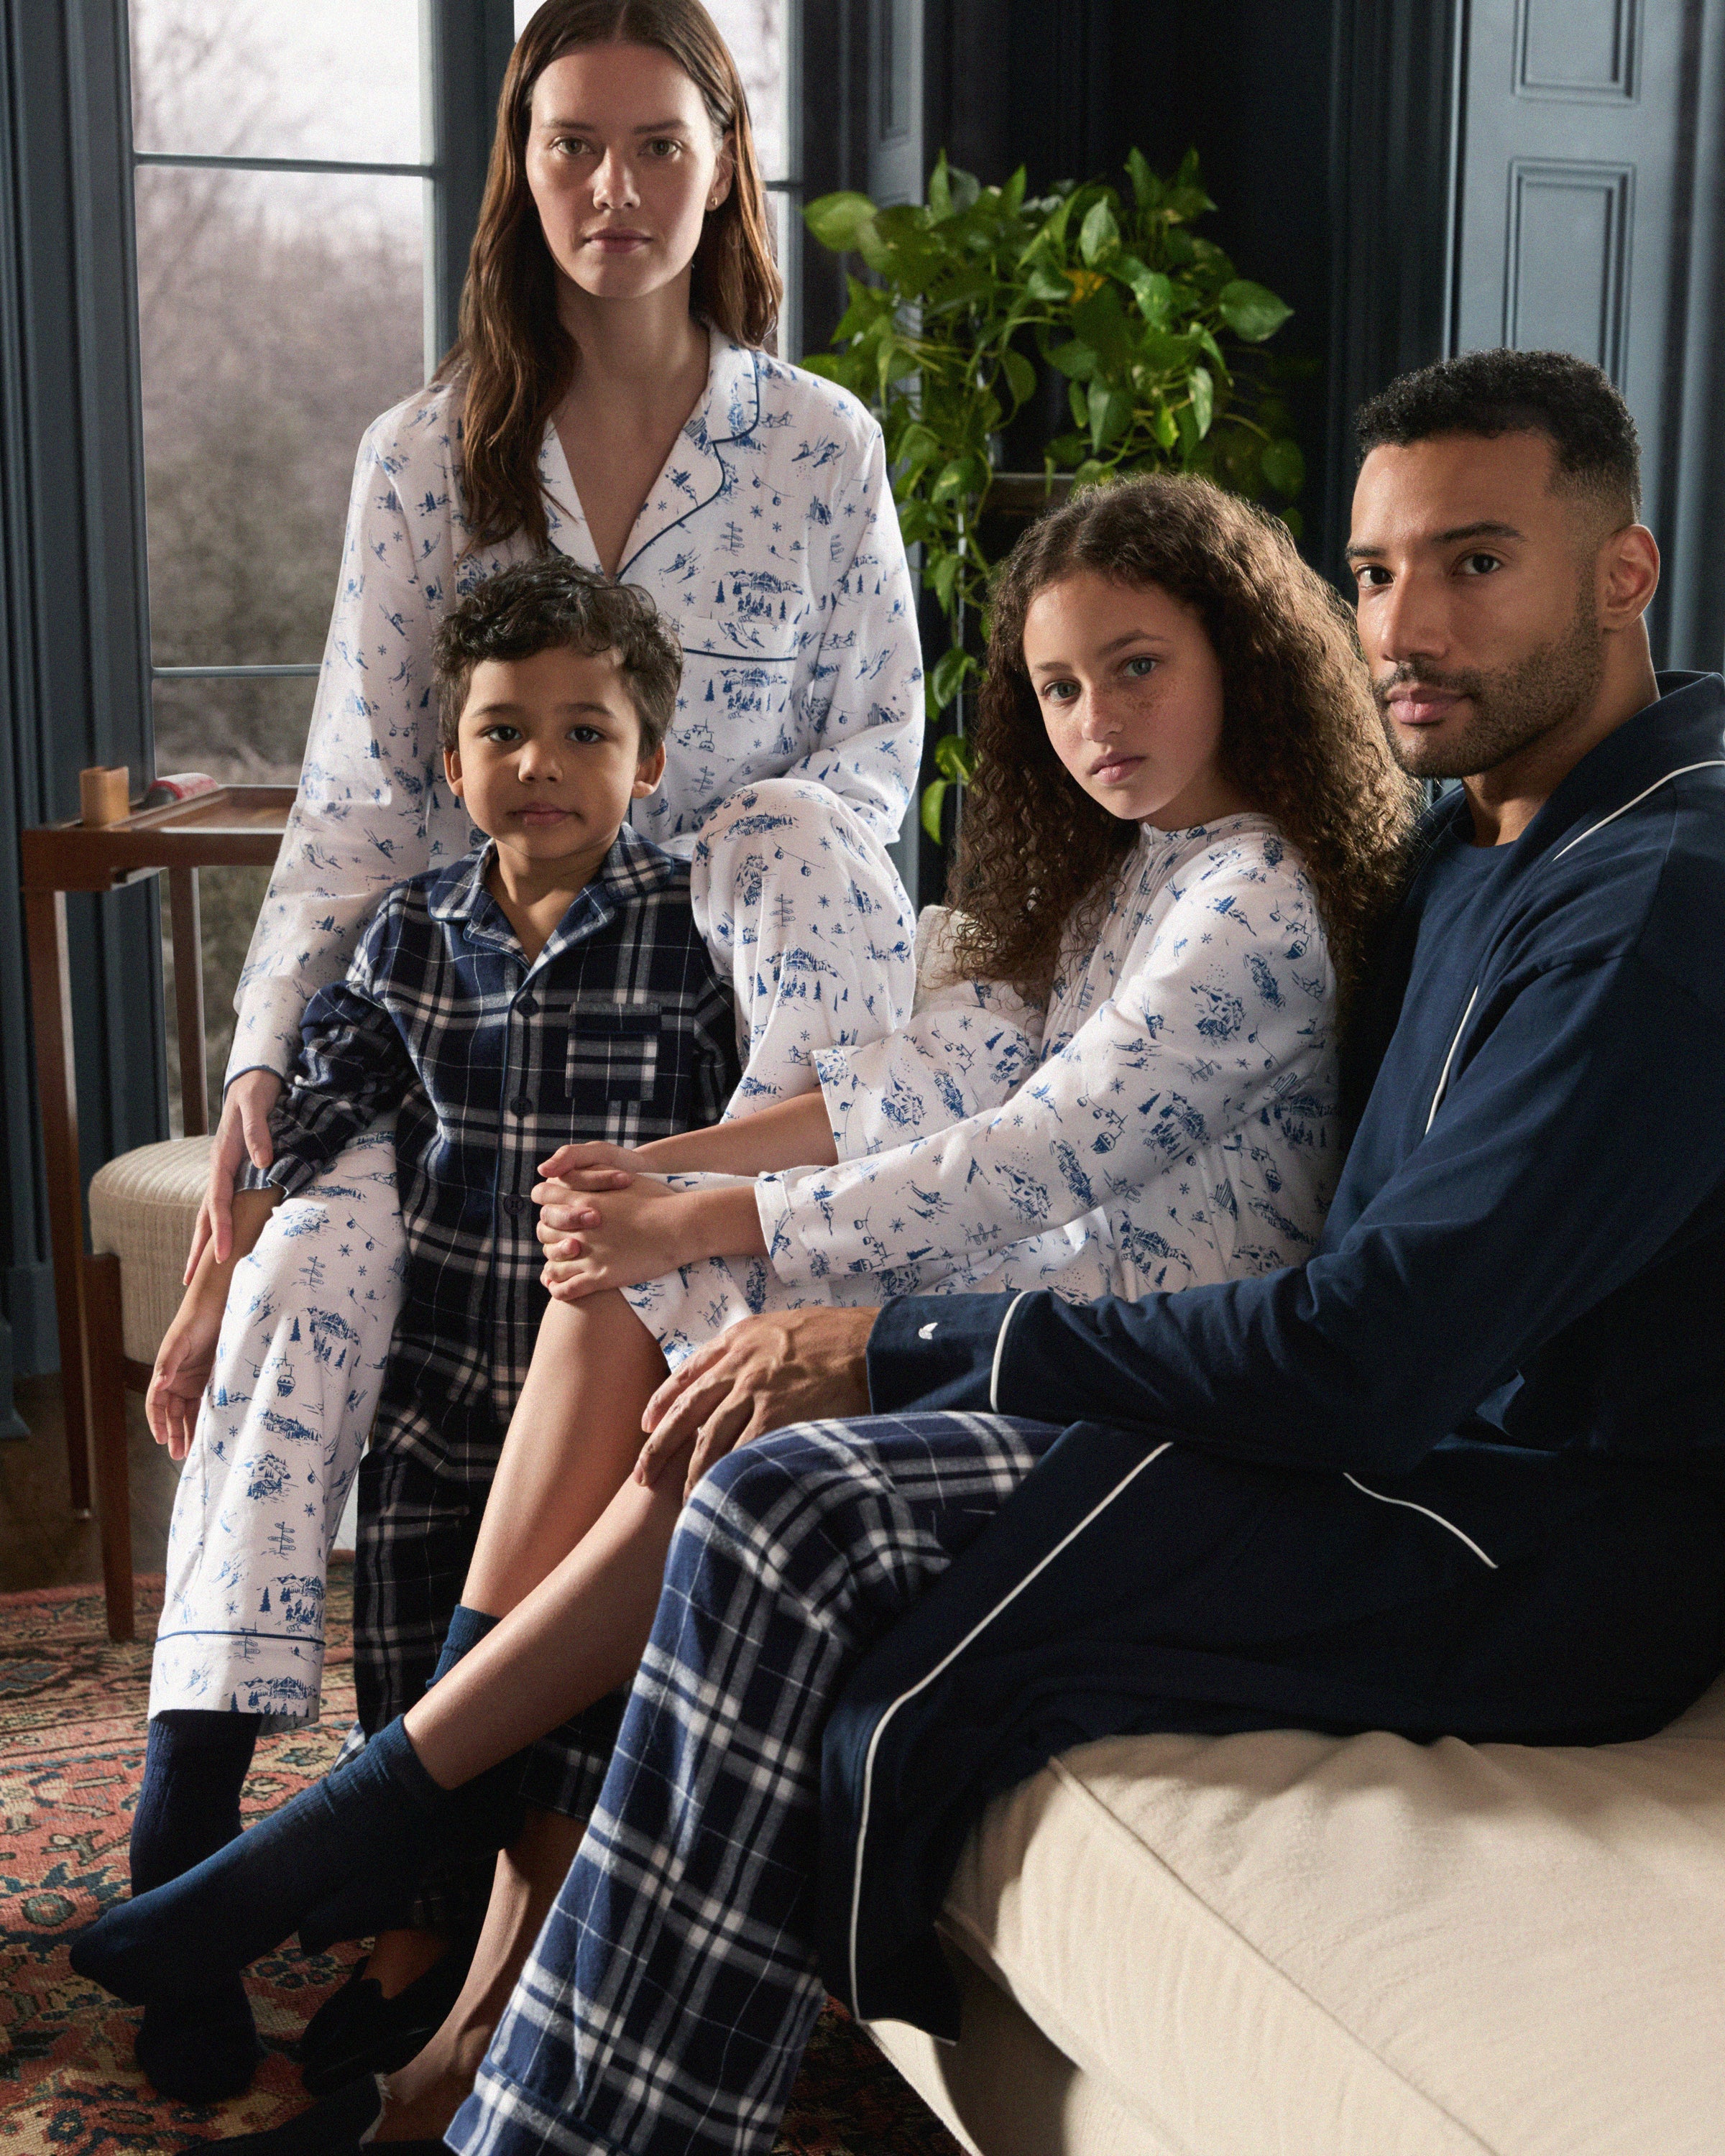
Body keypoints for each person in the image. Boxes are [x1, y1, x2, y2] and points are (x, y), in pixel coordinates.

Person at [74, 471, 1414, 2145]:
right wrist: (654, 1178)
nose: (1095, 723)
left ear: (1241, 656)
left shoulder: (1254, 894)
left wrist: (716, 1214)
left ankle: (362, 1830)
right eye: (1060, 689)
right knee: (623, 1295)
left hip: (1117, 1374)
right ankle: (438, 1988)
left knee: (689, 1347)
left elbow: (1035, 1156)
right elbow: (916, 1081)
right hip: (1031, 1305)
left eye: (1135, 668)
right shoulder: (1134, 871)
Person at [134, 0, 921, 2096]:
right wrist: (260, 1092)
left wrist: (723, 880)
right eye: (571, 144)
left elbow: (878, 761)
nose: (614, 187)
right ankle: (198, 1817)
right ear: (523, 171)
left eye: (659, 143)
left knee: (613, 1277)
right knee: (304, 1270)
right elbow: (358, 801)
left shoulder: (822, 446)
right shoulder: (430, 453)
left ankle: (459, 1865)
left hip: (711, 1020)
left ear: (725, 163)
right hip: (453, 982)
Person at [129, 558, 742, 2099]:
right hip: (435, 1370)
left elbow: (750, 1134)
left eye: (586, 732)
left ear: (648, 760)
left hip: (602, 1382)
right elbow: (313, 1129)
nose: (541, 765)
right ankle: (410, 1932)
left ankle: (514, 1928)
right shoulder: (410, 937)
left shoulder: (693, 937)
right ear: (453, 759)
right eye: (504, 732)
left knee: (558, 1673)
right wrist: (210, 1293)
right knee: (410, 1648)